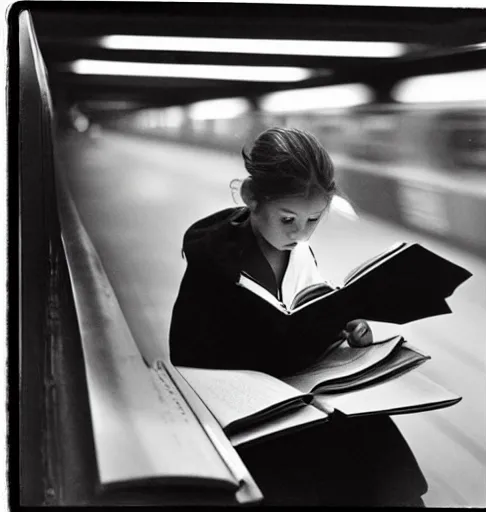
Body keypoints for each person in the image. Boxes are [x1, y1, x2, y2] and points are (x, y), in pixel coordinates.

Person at [169, 127, 427, 506]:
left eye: (314, 220)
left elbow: (311, 309)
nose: (301, 234)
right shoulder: (214, 264)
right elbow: (187, 353)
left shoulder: (300, 253)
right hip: (248, 408)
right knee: (320, 467)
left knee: (373, 435)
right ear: (251, 198)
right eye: (288, 219)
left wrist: (346, 334)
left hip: (301, 389)